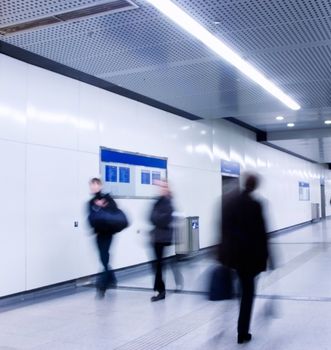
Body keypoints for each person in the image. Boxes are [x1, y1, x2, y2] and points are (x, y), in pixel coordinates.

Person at [219, 173, 268, 344]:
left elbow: (224, 230)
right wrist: (266, 258)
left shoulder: (230, 203)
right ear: (255, 186)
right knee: (248, 294)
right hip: (251, 258)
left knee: (241, 289)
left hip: (234, 257)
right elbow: (262, 234)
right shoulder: (256, 205)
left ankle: (232, 325)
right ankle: (242, 332)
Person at [88, 178, 118, 298]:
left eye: (96, 185)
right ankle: (112, 278)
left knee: (104, 258)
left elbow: (115, 212)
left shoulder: (108, 199)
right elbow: (90, 217)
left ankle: (101, 286)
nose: (94, 187)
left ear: (100, 186)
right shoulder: (91, 202)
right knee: (103, 258)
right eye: (92, 185)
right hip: (98, 233)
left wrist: (103, 206)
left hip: (108, 233)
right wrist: (96, 208)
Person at [149, 180, 174, 302]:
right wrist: (156, 217)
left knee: (159, 265)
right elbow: (150, 217)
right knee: (157, 264)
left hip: (163, 238)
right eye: (160, 186)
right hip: (156, 237)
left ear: (167, 188)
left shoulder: (168, 203)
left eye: (164, 186)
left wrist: (156, 217)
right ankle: (159, 288)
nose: (161, 189)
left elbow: (163, 220)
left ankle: (160, 290)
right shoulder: (158, 201)